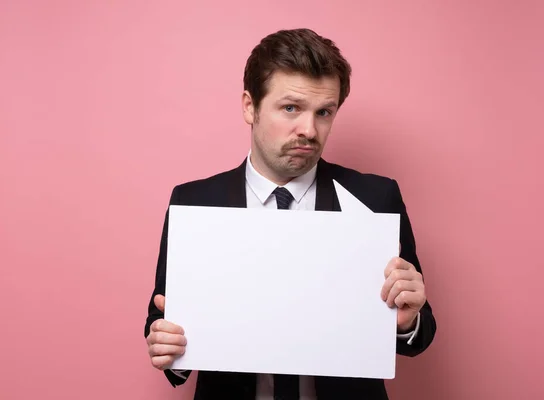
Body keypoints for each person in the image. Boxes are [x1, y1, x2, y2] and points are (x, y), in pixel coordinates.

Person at [144, 28, 436, 400]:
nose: (309, 130)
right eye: (291, 108)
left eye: (324, 112)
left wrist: (408, 320)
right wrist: (170, 347)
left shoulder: (376, 198)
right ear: (250, 106)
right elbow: (161, 321)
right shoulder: (195, 201)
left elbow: (417, 335)